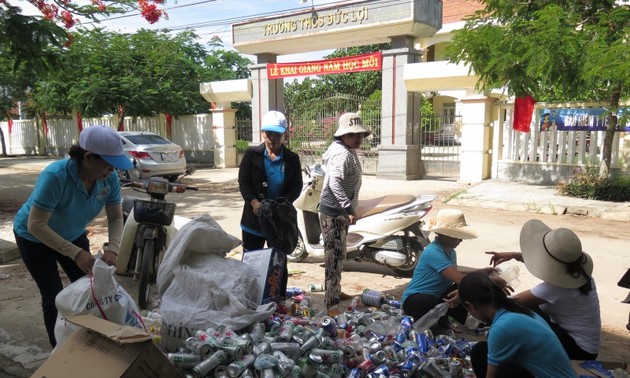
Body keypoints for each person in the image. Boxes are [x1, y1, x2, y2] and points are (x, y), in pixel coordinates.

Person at [13, 125, 133, 348]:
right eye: (107, 165)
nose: (110, 171)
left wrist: (113, 249)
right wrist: (75, 253)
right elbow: (36, 224)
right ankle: (60, 353)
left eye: (113, 166)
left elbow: (116, 217)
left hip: (73, 234)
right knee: (54, 296)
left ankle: (89, 342)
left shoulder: (109, 180)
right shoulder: (55, 176)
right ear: (88, 158)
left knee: (90, 289)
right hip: (34, 238)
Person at [486, 219, 601, 360]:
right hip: (587, 347)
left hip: (577, 351)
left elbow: (510, 302)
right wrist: (517, 256)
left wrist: (490, 285)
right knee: (531, 309)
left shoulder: (554, 288)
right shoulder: (580, 275)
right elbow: (549, 264)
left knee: (520, 311)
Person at [460, 271, 575, 378]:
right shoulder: (516, 308)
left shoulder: (502, 328)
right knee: (480, 351)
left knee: (504, 370)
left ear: (471, 306)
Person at [402, 208, 494, 331]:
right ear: (445, 235)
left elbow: (453, 272)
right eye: (457, 237)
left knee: (463, 290)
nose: (460, 240)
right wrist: (486, 280)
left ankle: (469, 319)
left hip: (439, 297)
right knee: (428, 300)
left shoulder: (450, 252)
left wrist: (479, 272)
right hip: (415, 299)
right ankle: (434, 325)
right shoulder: (433, 252)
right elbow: (458, 278)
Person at [318, 112, 370, 313]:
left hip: (337, 211)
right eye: (354, 135)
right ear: (343, 136)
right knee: (334, 257)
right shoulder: (341, 153)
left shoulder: (346, 149)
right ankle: (331, 304)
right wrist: (348, 208)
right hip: (334, 213)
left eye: (360, 135)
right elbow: (334, 184)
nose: (359, 138)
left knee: (339, 255)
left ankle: (336, 291)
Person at [238, 110, 302, 251]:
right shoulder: (251, 155)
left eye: (277, 134)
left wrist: (280, 206)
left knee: (277, 266)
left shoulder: (292, 159)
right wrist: (254, 203)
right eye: (269, 134)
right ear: (262, 133)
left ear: (284, 134)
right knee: (252, 264)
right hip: (253, 221)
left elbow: (296, 187)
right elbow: (244, 183)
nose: (272, 138)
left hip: (280, 222)